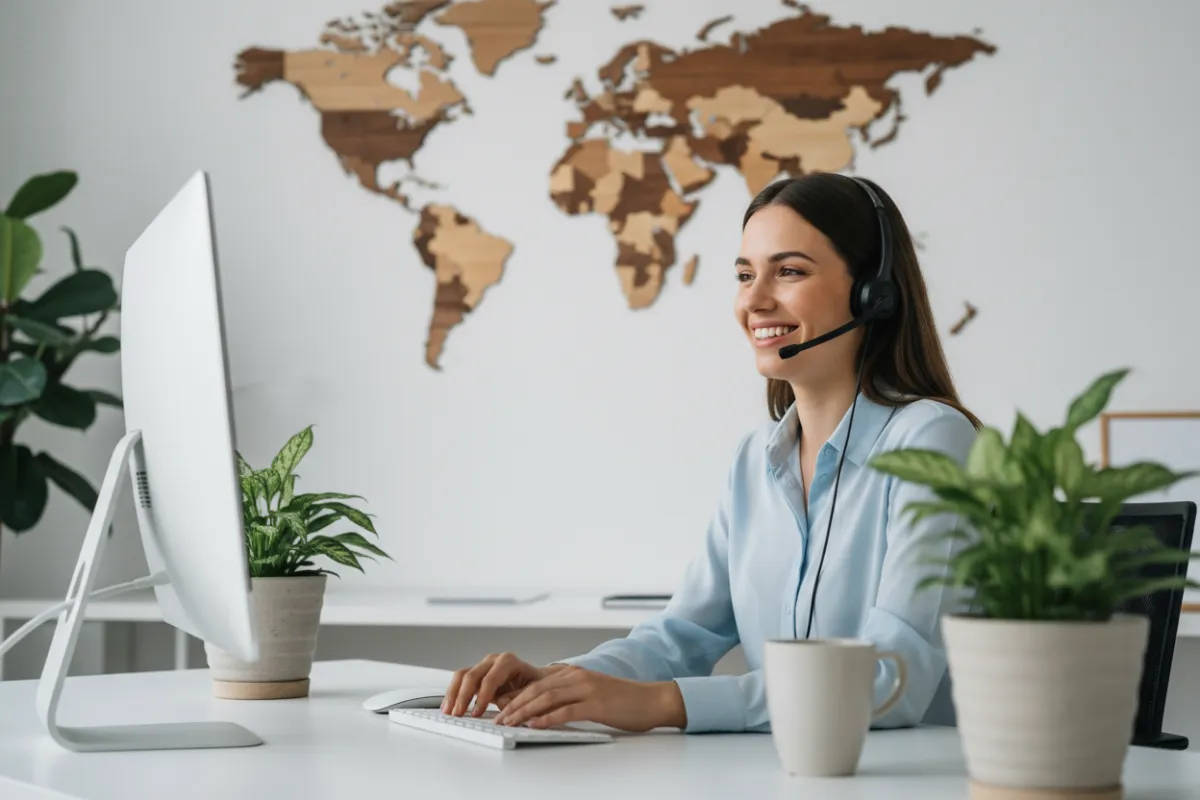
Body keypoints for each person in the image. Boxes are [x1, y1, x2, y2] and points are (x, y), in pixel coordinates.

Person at [441, 172, 981, 734]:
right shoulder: (756, 461)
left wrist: (663, 705)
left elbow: (893, 679)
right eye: (745, 275)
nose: (754, 299)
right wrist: (561, 682)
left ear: (872, 293)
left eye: (789, 271)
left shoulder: (931, 441)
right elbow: (683, 636)